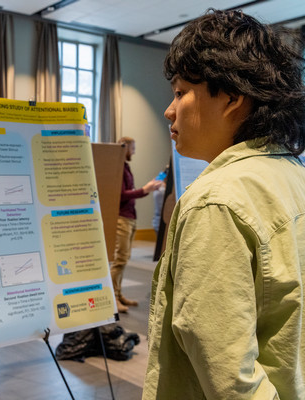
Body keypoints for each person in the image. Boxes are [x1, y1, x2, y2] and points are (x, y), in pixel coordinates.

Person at [144, 9, 305, 399]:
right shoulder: (292, 174)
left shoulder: (215, 200)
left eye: (181, 92)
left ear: (232, 97)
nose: (169, 110)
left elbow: (229, 374)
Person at [110, 137, 162, 313]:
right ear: (124, 148)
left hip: (129, 217)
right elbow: (121, 194)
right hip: (122, 218)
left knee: (124, 259)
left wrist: (147, 190)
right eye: (133, 148)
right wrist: (144, 190)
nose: (134, 151)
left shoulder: (125, 166)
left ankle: (118, 293)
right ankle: (112, 298)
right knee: (120, 259)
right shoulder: (117, 168)